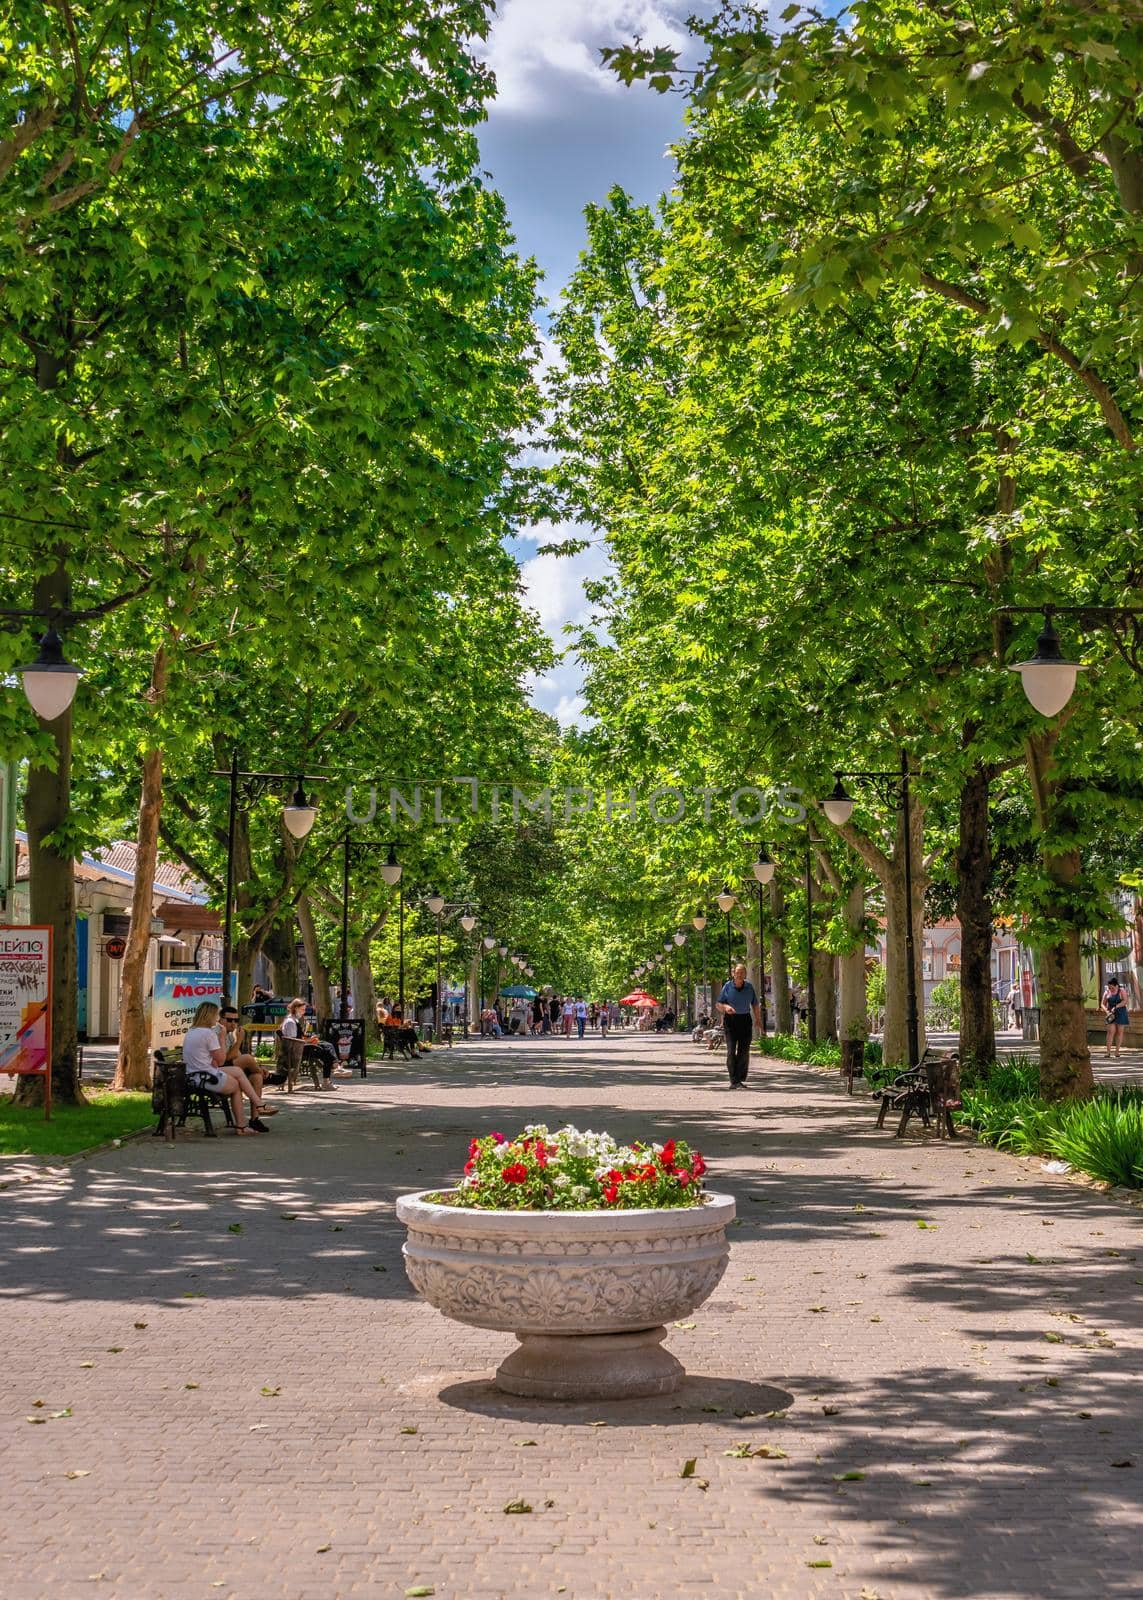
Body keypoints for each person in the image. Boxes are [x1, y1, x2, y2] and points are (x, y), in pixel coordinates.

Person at [183, 1002, 278, 1133]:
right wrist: (222, 1038)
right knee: (236, 1085)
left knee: (238, 1072)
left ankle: (255, 1110)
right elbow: (221, 1060)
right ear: (208, 1016)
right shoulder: (209, 1034)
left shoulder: (192, 1031)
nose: (216, 1019)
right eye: (215, 1015)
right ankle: (246, 1122)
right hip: (205, 1077)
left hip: (196, 1074)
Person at [716, 964, 762, 1089]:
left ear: (745, 974)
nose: (740, 974)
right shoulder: (727, 986)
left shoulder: (749, 987)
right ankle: (734, 1080)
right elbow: (718, 1004)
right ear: (733, 974)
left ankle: (740, 1078)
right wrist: (726, 1007)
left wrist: (758, 1019)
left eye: (742, 972)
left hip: (745, 1020)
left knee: (743, 1051)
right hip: (731, 1021)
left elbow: (755, 1004)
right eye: (738, 972)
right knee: (731, 1051)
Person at [217, 1005, 267, 1107]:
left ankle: (255, 1119)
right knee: (248, 1058)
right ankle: (267, 1076)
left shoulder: (230, 1035)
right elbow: (226, 1058)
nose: (233, 1024)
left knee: (257, 1077)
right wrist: (239, 1040)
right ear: (221, 1020)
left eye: (236, 1020)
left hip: (230, 1067)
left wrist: (254, 1066)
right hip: (219, 1068)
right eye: (230, 1020)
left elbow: (237, 1056)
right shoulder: (217, 1032)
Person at [1101, 975, 1131, 1060]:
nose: (1111, 989)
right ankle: (1108, 1052)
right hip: (1110, 1013)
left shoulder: (1122, 991)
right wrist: (1106, 1011)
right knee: (1111, 1031)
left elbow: (1125, 1001)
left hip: (1121, 1012)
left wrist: (1117, 1006)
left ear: (1116, 985)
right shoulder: (1107, 992)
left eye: (1112, 988)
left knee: (1119, 1032)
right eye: (1109, 988)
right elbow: (1102, 1004)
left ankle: (1117, 1051)